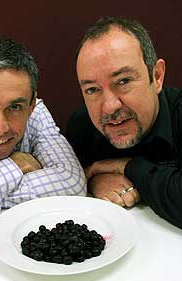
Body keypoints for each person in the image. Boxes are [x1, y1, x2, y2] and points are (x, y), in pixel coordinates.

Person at [0, 35, 86, 236]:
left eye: (14, 107)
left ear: (32, 104)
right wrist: (15, 165)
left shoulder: (37, 114)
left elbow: (72, 183)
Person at [66, 16, 182, 229]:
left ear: (157, 76)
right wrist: (91, 182)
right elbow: (68, 184)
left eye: (124, 81)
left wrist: (126, 166)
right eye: (92, 90)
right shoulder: (81, 126)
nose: (110, 106)